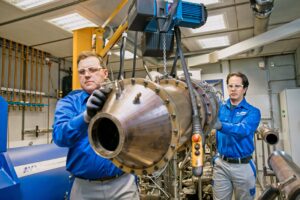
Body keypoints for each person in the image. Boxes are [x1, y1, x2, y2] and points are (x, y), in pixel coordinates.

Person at [52, 51, 139, 200]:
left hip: (122, 183)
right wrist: (85, 116)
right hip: (84, 188)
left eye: (92, 70)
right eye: (82, 72)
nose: (87, 75)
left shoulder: (123, 98)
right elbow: (60, 137)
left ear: (105, 73)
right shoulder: (69, 102)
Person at [212, 72, 261, 200]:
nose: (233, 89)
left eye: (237, 86)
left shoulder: (253, 112)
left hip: (242, 166)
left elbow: (243, 130)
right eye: (230, 86)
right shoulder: (219, 109)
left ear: (244, 89)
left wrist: (221, 126)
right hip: (221, 165)